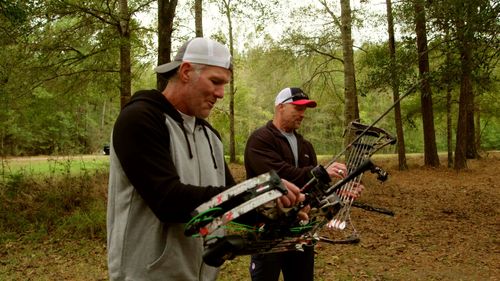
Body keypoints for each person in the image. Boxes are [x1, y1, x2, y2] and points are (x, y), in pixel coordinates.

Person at [106, 38, 305, 281]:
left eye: (224, 84)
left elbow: (229, 201)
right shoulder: (139, 119)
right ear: (186, 71)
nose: (221, 93)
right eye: (215, 81)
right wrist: (255, 190)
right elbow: (168, 200)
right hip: (148, 275)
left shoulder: (211, 136)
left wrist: (274, 208)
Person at [244, 87, 349, 281]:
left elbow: (315, 186)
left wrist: (342, 190)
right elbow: (280, 176)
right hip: (268, 230)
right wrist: (320, 172)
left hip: (301, 230)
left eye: (305, 109)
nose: (303, 114)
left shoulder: (305, 145)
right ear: (280, 107)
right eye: (298, 108)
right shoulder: (260, 139)